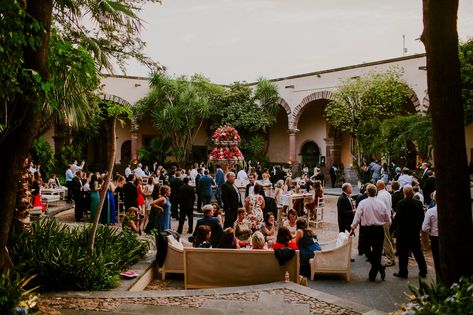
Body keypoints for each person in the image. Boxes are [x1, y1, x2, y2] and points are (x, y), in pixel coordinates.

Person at [350, 184, 390, 282]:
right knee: (375, 251)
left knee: (369, 250)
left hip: (368, 230)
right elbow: (386, 218)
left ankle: (373, 274)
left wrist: (352, 228)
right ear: (375, 192)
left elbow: (357, 217)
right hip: (378, 230)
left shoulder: (363, 203)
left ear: (367, 192)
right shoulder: (381, 203)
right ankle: (379, 267)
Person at [391, 185, 427, 279]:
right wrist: (418, 227)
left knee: (403, 253)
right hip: (414, 231)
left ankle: (403, 272)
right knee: (417, 251)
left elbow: (397, 218)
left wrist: (391, 229)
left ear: (404, 193)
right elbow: (422, 217)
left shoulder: (401, 203)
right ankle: (423, 270)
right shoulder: (418, 203)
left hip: (402, 232)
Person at [376, 180, 395, 267]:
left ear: (377, 187)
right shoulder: (387, 193)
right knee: (388, 238)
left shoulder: (380, 196)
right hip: (388, 217)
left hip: (384, 220)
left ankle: (391, 258)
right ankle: (387, 253)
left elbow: (380, 210)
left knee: (386, 240)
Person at [422, 191, 440, 282]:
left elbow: (424, 228)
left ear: (434, 199)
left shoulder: (431, 211)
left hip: (435, 237)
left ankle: (439, 283)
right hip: (450, 239)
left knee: (437, 261)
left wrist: (431, 229)